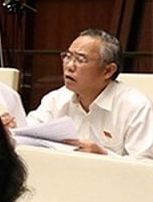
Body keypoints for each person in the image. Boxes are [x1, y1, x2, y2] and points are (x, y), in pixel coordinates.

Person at [13, 29, 153, 159]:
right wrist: (11, 129)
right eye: (68, 56)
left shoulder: (135, 106)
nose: (69, 66)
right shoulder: (56, 99)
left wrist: (104, 156)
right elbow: (28, 135)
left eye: (80, 59)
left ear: (108, 71)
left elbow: (145, 165)